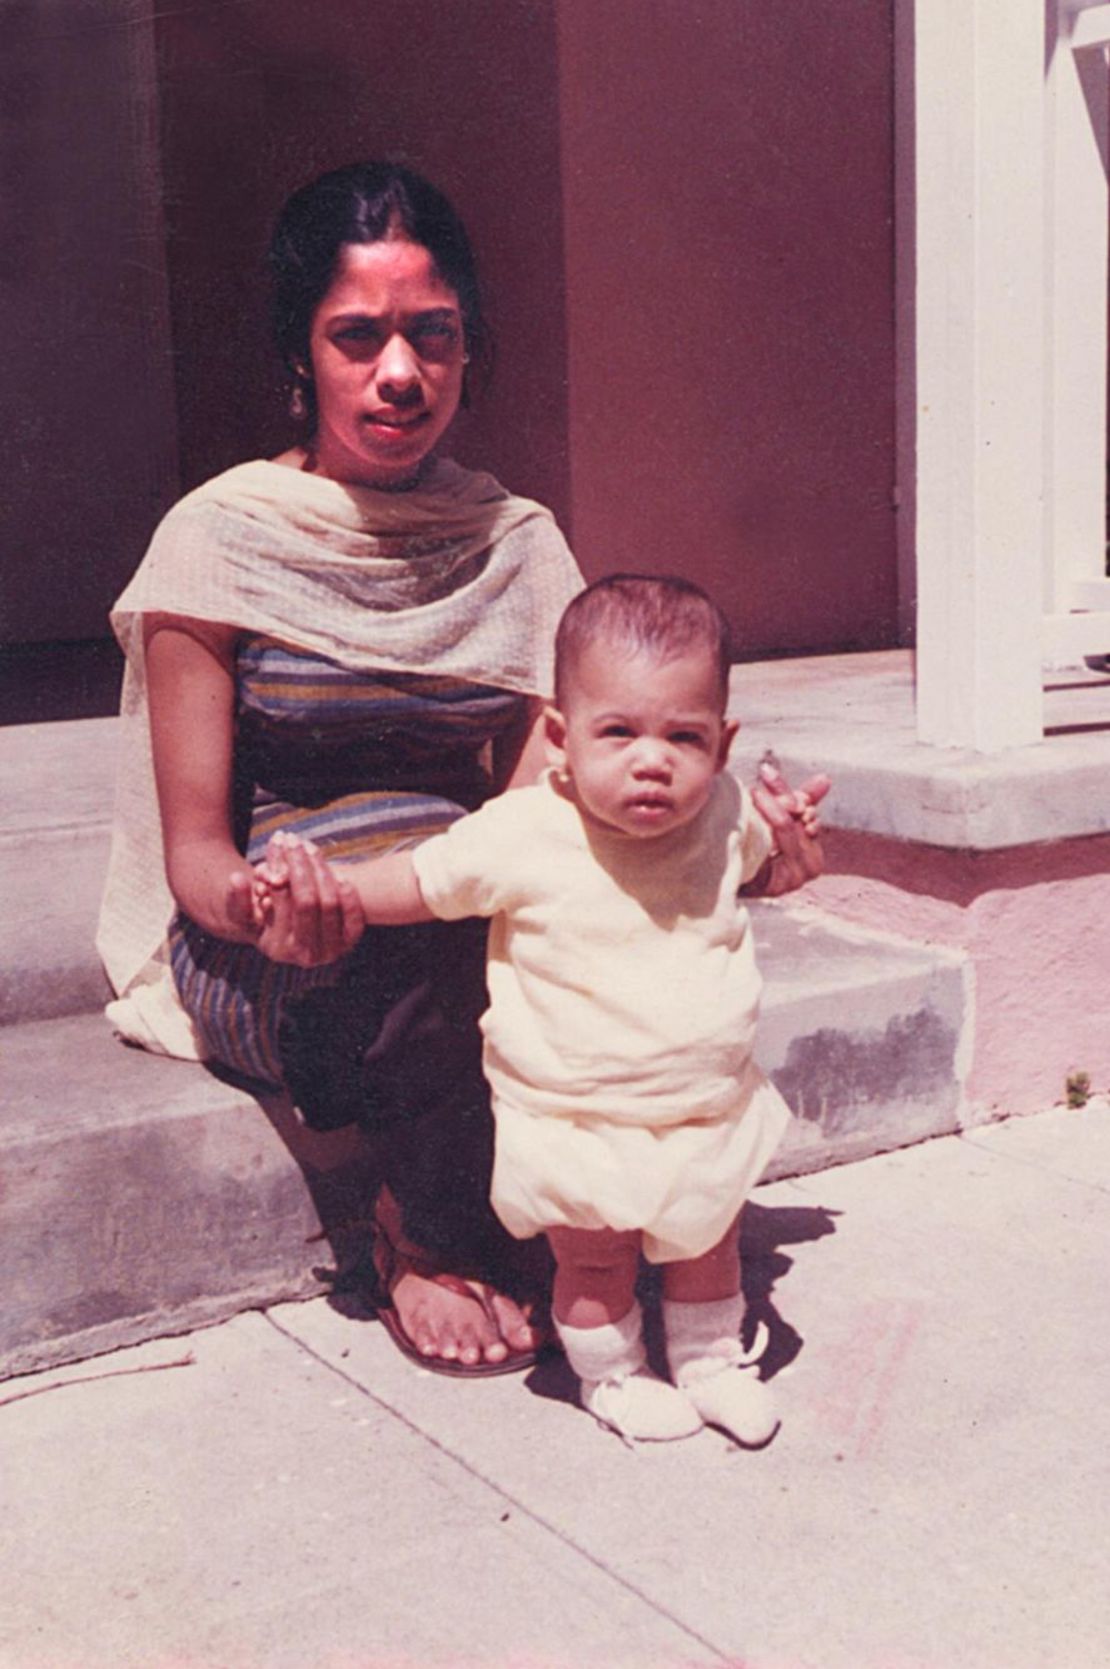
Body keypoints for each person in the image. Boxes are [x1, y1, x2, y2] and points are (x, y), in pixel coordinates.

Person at [96, 161, 585, 1375]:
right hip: (271, 938)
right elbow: (198, 852)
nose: (401, 375)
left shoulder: (514, 545)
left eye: (435, 336)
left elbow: (551, 797)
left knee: (553, 928)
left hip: (441, 911)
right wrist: (267, 915)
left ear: (472, 348)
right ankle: (422, 1237)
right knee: (403, 946)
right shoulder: (221, 538)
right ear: (301, 355)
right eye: (357, 338)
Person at [254, 575, 830, 1443]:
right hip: (574, 1113)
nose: (652, 759)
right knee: (594, 1261)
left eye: (684, 735)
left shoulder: (722, 812)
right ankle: (615, 1377)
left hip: (704, 1101)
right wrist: (328, 890)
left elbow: (761, 866)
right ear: (561, 738)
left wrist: (788, 845)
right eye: (619, 732)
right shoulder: (525, 830)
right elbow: (419, 879)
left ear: (723, 743)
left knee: (708, 1245)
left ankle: (710, 1363)